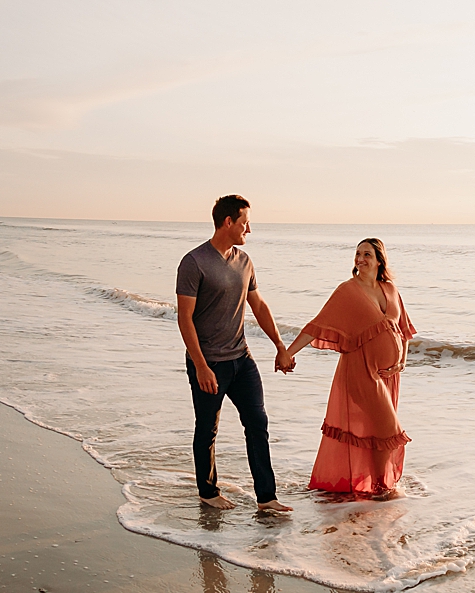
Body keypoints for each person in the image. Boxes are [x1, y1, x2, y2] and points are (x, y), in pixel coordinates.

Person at [176, 194, 294, 514]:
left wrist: (280, 346)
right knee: (207, 428)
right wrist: (200, 366)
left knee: (257, 423)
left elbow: (258, 305)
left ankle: (266, 498)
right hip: (209, 362)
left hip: (242, 359)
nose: (249, 230)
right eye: (245, 223)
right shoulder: (194, 262)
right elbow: (184, 317)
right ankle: (208, 492)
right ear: (228, 222)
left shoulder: (244, 261)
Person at [281, 238, 417, 498]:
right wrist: (287, 353)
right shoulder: (347, 291)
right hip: (360, 371)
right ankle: (381, 489)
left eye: (367, 254)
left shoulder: (390, 290)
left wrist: (402, 360)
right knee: (390, 430)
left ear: (379, 260)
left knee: (377, 432)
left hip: (388, 376)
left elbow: (404, 330)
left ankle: (378, 486)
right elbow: (317, 326)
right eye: (357, 254)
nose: (360, 259)